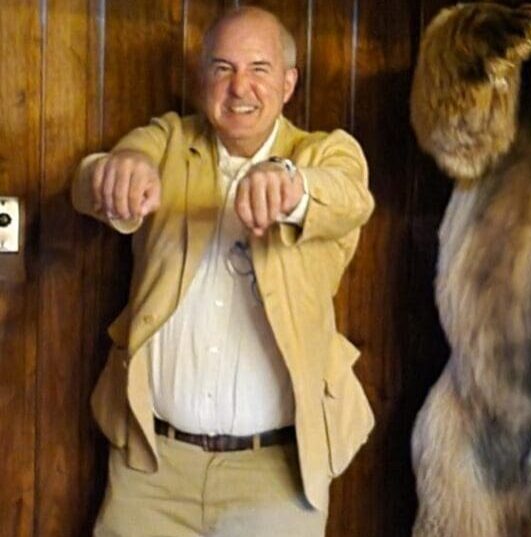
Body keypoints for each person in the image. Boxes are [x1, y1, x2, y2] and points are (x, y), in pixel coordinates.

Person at [71, 7, 375, 536]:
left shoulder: (323, 152)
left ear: (288, 82)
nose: (240, 87)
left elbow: (351, 197)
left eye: (259, 68)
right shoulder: (168, 141)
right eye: (222, 68)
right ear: (202, 78)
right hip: (151, 468)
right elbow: (91, 179)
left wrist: (291, 185)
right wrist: (115, 171)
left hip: (277, 473)